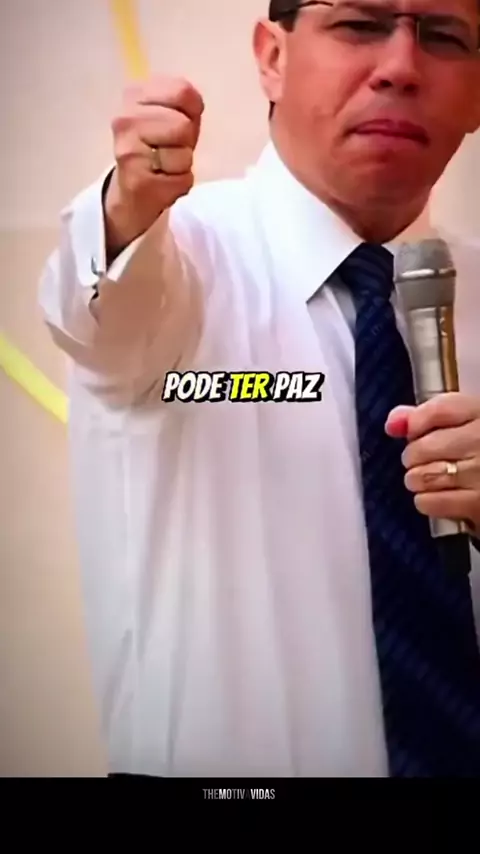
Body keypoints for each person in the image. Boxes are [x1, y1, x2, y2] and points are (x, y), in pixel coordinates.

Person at [39, 0, 480, 778]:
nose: (401, 67)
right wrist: (125, 206)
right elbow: (99, 308)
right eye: (360, 25)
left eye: (443, 36)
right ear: (273, 56)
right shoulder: (180, 257)